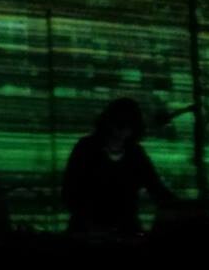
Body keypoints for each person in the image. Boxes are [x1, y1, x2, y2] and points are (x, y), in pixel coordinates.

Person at [62, 97, 175, 236]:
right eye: (120, 124)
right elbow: (69, 192)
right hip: (88, 233)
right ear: (108, 122)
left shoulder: (136, 153)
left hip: (126, 231)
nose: (122, 130)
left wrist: (181, 207)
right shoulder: (86, 149)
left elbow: (156, 188)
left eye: (128, 125)